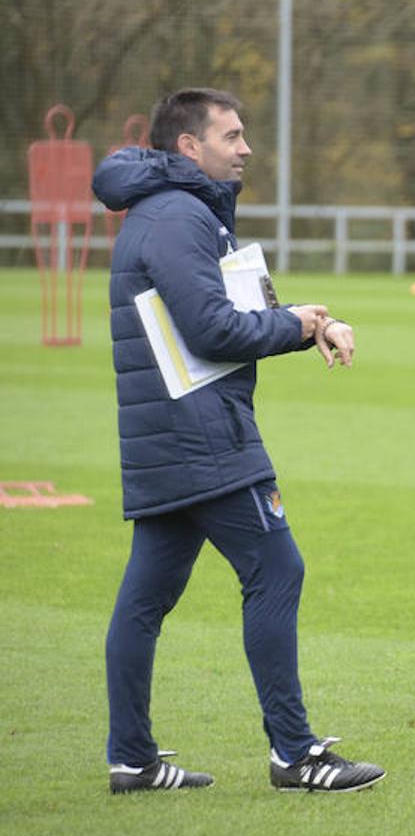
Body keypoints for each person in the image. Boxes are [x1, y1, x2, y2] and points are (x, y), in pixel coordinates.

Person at [94, 88, 383, 795]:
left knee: (144, 599)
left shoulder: (168, 212)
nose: (246, 147)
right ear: (189, 147)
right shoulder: (177, 216)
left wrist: (303, 319)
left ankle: (132, 760)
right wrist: (299, 328)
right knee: (277, 572)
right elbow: (213, 331)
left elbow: (223, 312)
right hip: (204, 439)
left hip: (173, 438)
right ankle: (295, 753)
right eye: (232, 135)